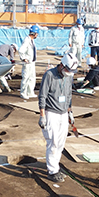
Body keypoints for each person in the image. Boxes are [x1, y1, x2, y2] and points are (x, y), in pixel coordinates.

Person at [38, 52, 78, 182]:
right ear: (61, 65)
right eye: (68, 69)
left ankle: (55, 165)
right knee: (53, 142)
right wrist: (42, 115)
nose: (69, 72)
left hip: (63, 113)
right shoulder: (49, 75)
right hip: (51, 113)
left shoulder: (69, 76)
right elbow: (42, 96)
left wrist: (70, 112)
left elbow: (68, 96)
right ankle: (52, 170)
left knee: (61, 143)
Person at [19, 25, 40, 100]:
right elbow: (21, 50)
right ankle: (23, 92)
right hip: (27, 62)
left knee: (32, 77)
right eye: (37, 33)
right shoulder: (27, 40)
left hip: (32, 62)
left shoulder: (32, 40)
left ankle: (30, 92)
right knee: (26, 77)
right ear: (34, 33)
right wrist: (24, 58)